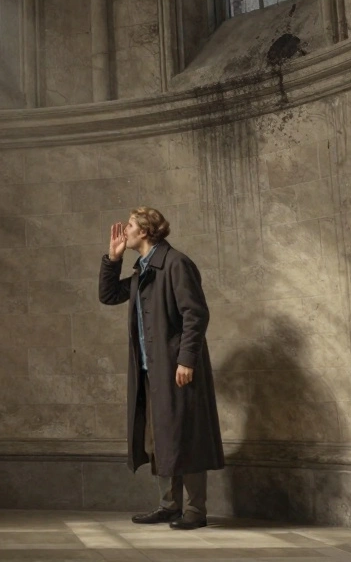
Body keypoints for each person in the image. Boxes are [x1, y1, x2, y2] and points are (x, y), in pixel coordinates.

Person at [98, 207, 224, 530]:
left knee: (188, 436)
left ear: (145, 231)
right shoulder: (144, 269)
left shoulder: (175, 263)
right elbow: (109, 295)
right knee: (160, 439)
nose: (124, 231)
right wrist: (113, 260)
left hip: (177, 369)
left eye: (129, 225)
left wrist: (186, 360)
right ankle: (169, 506)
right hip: (150, 371)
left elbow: (195, 314)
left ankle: (195, 511)